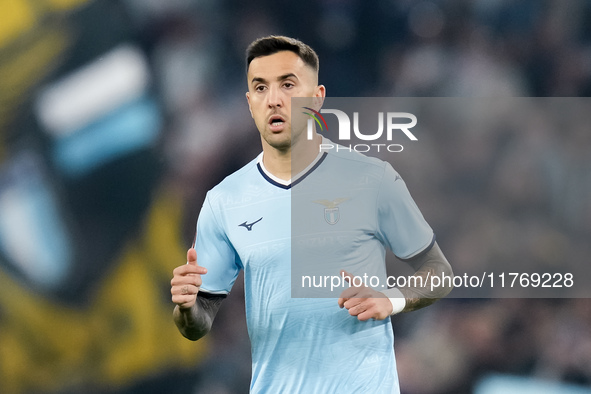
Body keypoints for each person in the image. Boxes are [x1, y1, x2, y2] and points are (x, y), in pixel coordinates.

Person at [171, 35, 453, 393]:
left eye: (288, 85)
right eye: (261, 88)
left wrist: (393, 300)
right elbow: (199, 323)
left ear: (316, 98)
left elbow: (438, 273)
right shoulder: (223, 200)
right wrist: (187, 309)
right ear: (249, 102)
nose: (275, 99)